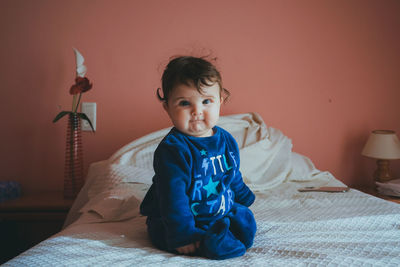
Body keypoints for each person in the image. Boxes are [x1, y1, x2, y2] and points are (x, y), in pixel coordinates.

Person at [140, 56, 256, 260]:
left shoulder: (226, 140)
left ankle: (220, 233)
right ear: (167, 107)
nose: (196, 111)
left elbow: (231, 172)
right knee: (165, 232)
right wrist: (182, 235)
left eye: (206, 101)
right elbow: (172, 197)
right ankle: (208, 241)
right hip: (181, 218)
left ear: (220, 100)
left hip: (217, 209)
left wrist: (244, 195)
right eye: (185, 103)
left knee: (245, 219)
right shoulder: (174, 150)